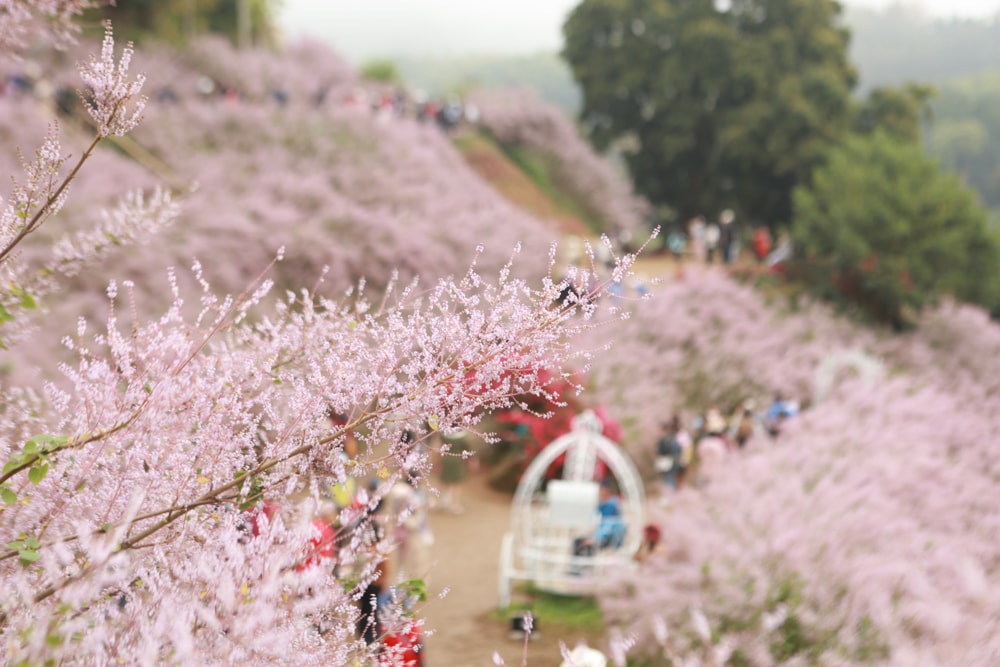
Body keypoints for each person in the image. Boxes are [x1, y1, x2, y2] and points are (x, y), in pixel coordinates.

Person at [656, 417, 684, 491]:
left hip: (668, 461)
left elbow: (661, 451)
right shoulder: (674, 438)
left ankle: (671, 493)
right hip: (674, 461)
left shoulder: (665, 440)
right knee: (672, 477)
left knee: (669, 478)